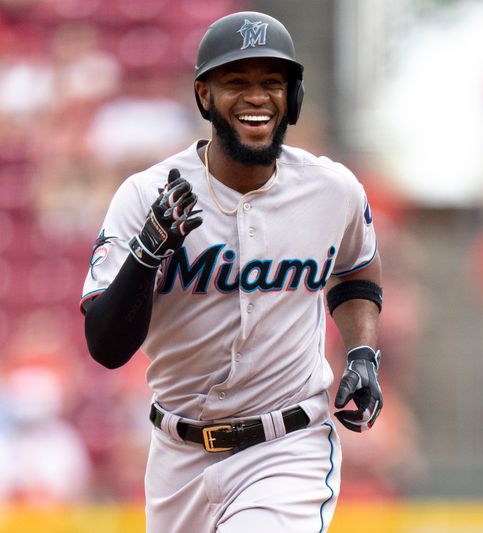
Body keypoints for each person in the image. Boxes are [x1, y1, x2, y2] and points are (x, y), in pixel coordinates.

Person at [79, 11, 384, 533]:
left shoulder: (332, 191)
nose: (257, 96)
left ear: (294, 96)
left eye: (272, 81)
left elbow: (357, 273)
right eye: (236, 81)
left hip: (286, 448)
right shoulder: (146, 195)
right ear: (204, 96)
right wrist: (147, 256)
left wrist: (362, 350)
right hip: (177, 459)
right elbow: (106, 347)